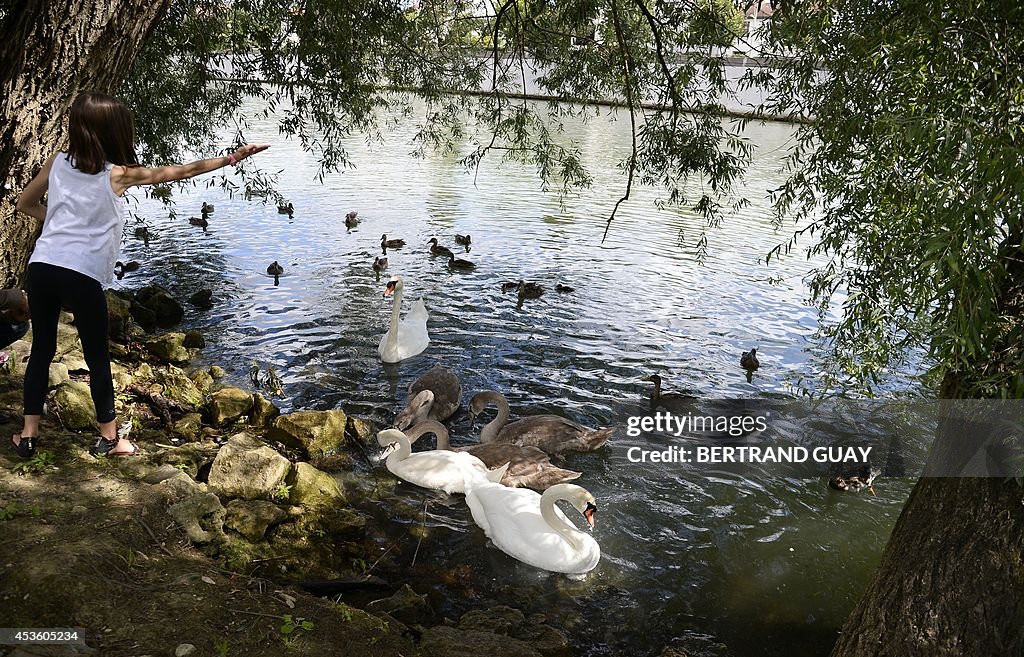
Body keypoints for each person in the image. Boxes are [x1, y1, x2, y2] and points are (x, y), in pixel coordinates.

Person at [12, 91, 269, 458]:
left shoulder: (57, 163)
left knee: (42, 350)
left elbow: (25, 203)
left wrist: (54, 223)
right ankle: (110, 439)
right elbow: (182, 171)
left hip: (42, 267)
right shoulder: (117, 174)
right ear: (112, 132)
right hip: (80, 273)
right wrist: (232, 157)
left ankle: (29, 435)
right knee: (97, 355)